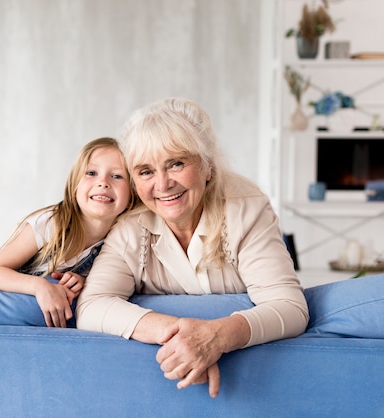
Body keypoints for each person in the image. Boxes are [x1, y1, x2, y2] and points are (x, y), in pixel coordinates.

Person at [76, 98, 309, 397]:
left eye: (176, 164)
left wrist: (217, 337)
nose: (162, 184)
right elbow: (92, 306)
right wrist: (186, 337)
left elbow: (289, 307)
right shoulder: (130, 226)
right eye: (146, 171)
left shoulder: (246, 209)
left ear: (207, 165)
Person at [0, 137, 137, 328]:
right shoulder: (52, 224)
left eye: (117, 176)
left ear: (132, 194)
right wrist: (41, 286)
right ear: (75, 184)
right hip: (16, 302)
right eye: (92, 173)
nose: (103, 183)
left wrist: (84, 281)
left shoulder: (123, 238)